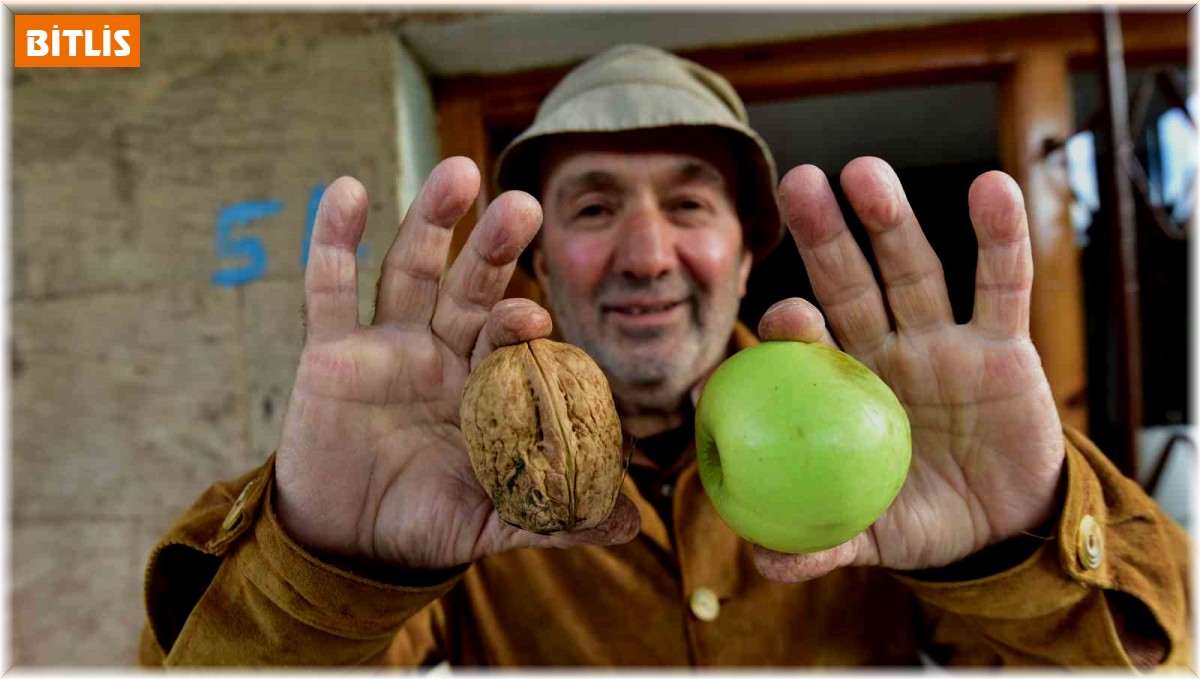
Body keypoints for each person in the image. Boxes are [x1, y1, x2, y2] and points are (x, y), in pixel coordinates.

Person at [139, 44, 1190, 667]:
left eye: (689, 203)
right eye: (594, 206)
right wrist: (325, 562)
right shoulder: (460, 477)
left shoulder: (907, 461)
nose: (646, 255)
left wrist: (1010, 557)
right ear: (541, 257)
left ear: (745, 253)